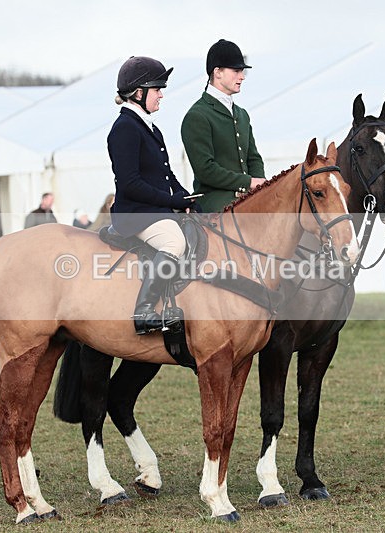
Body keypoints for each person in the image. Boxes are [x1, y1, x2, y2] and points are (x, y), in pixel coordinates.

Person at [108, 56, 195, 334]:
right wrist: (171, 201)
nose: (161, 95)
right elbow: (130, 184)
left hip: (153, 210)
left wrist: (183, 196)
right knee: (174, 243)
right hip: (135, 214)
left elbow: (166, 174)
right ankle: (144, 311)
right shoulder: (124, 129)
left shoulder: (150, 127)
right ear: (138, 93)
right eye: (157, 89)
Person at [181, 39, 266, 213]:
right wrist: (248, 182)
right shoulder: (197, 115)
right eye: (236, 71)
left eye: (242, 71)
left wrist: (261, 186)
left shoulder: (242, 114)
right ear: (218, 72)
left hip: (248, 199)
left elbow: (253, 158)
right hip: (215, 203)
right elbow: (206, 170)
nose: (242, 77)